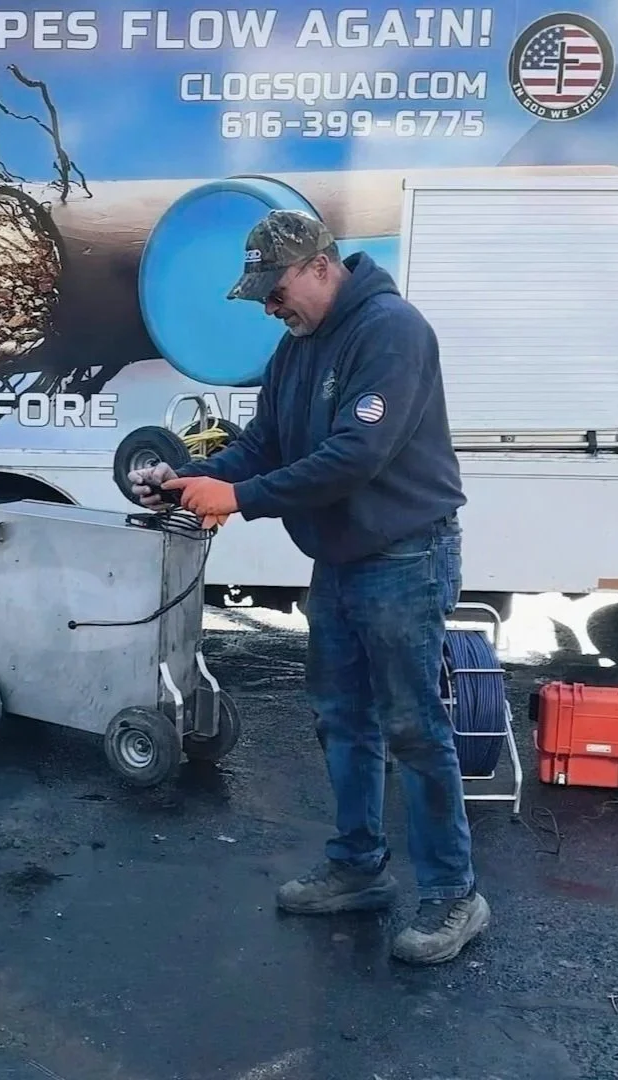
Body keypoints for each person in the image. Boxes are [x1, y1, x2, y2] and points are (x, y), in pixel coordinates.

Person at [129, 209, 489, 966]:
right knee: (340, 716)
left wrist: (242, 499)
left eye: (277, 288)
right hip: (342, 559)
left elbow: (357, 454)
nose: (270, 306)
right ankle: (358, 867)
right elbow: (264, 445)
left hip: (404, 557)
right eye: (261, 295)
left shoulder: (392, 331)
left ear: (323, 266)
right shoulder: (296, 348)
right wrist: (192, 481)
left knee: (413, 727)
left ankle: (454, 894)